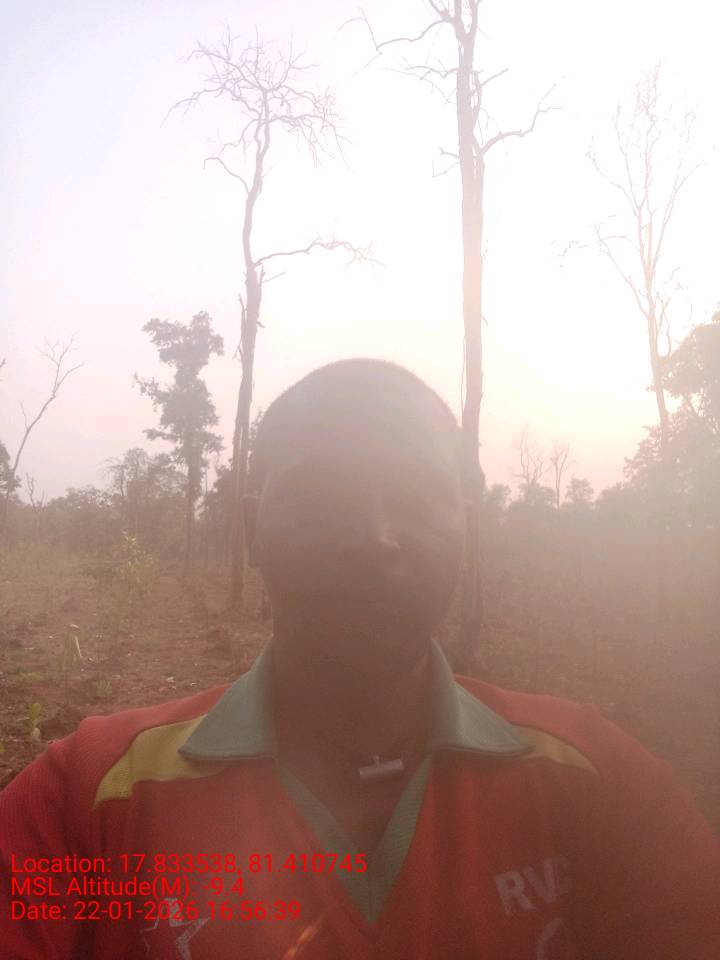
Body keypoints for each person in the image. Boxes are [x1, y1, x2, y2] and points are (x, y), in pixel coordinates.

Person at [1, 357, 719, 960]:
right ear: (251, 531)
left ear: (465, 535)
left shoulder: (598, 779)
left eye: (417, 497)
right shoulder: (86, 803)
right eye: (324, 496)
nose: (378, 538)